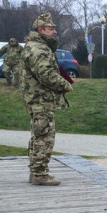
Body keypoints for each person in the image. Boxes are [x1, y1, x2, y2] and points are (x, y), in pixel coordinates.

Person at [20, 13, 73, 186]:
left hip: (37, 98)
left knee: (38, 134)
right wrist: (65, 85)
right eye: (50, 29)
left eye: (54, 28)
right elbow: (47, 75)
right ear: (40, 30)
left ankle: (36, 172)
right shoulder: (39, 49)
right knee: (44, 136)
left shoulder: (35, 46)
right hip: (41, 99)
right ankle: (40, 174)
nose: (54, 32)